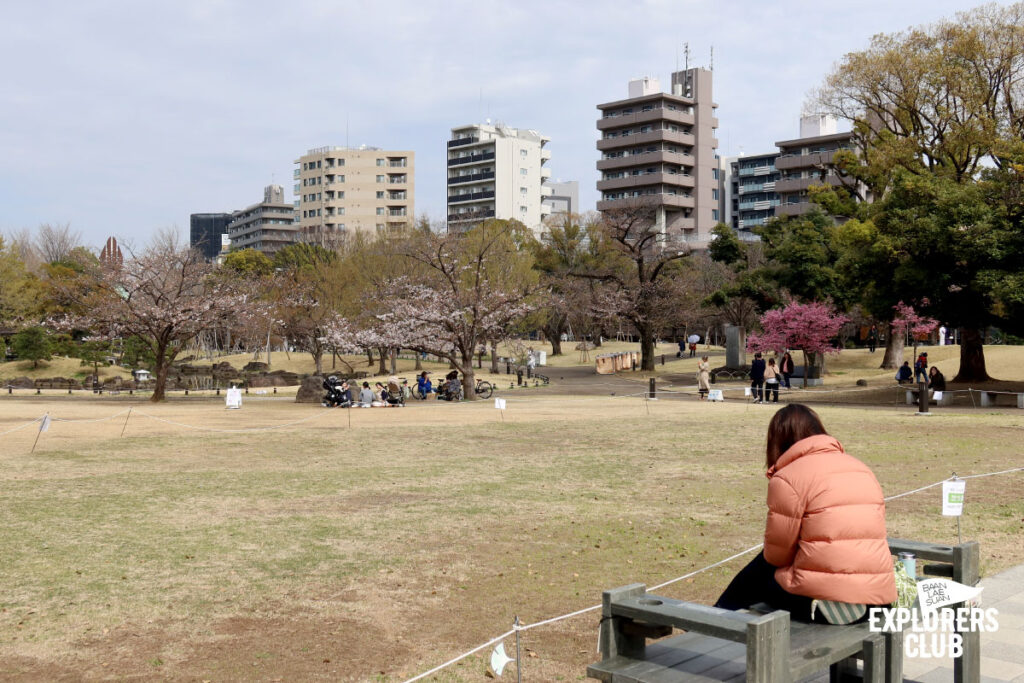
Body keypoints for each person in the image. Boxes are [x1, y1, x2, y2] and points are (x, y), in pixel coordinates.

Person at [715, 404, 896, 622]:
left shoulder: (789, 477)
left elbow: (776, 555)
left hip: (826, 608)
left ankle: (713, 619)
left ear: (778, 439)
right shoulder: (861, 468)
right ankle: (716, 615)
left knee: (759, 570)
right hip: (878, 601)